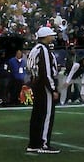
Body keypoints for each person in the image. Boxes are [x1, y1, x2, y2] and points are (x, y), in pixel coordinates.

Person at [27, 25, 61, 154]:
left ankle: (34, 143)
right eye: (51, 35)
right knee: (46, 115)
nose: (52, 37)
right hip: (44, 86)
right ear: (46, 37)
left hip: (36, 84)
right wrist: (53, 89)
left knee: (37, 115)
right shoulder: (44, 50)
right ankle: (43, 143)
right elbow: (46, 72)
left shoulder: (35, 49)